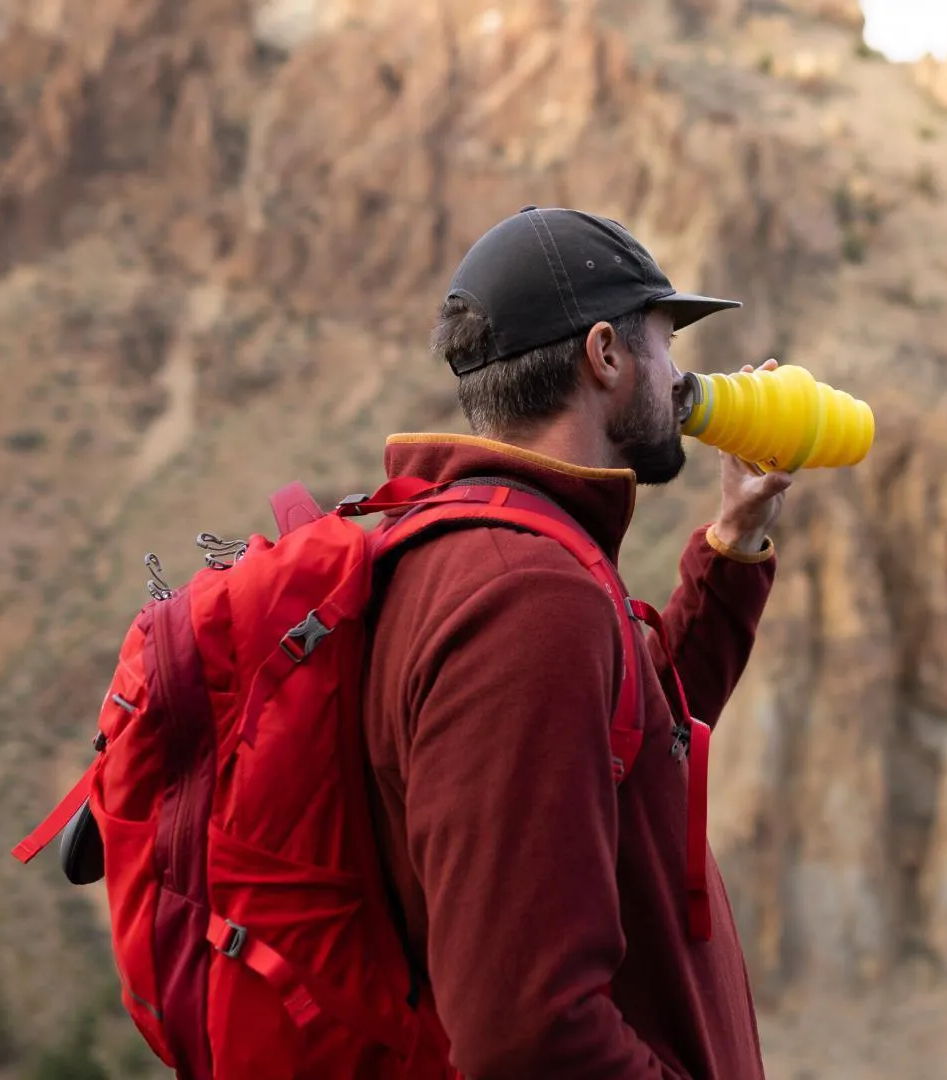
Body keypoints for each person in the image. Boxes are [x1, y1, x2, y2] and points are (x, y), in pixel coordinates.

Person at [362, 206, 792, 1079]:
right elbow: (527, 1033)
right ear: (604, 354)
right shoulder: (526, 599)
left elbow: (640, 733)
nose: (680, 379)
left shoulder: (511, 555)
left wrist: (735, 541)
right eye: (666, 343)